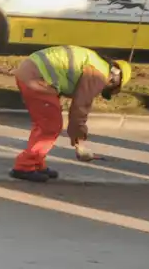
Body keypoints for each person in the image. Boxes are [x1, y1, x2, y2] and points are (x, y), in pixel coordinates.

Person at [12, 45, 131, 183]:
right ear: (115, 78)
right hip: (36, 77)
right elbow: (80, 107)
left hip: (33, 73)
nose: (103, 90)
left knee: (47, 124)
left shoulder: (95, 63)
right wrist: (79, 141)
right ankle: (24, 166)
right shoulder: (98, 74)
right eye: (110, 88)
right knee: (50, 126)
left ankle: (37, 163)